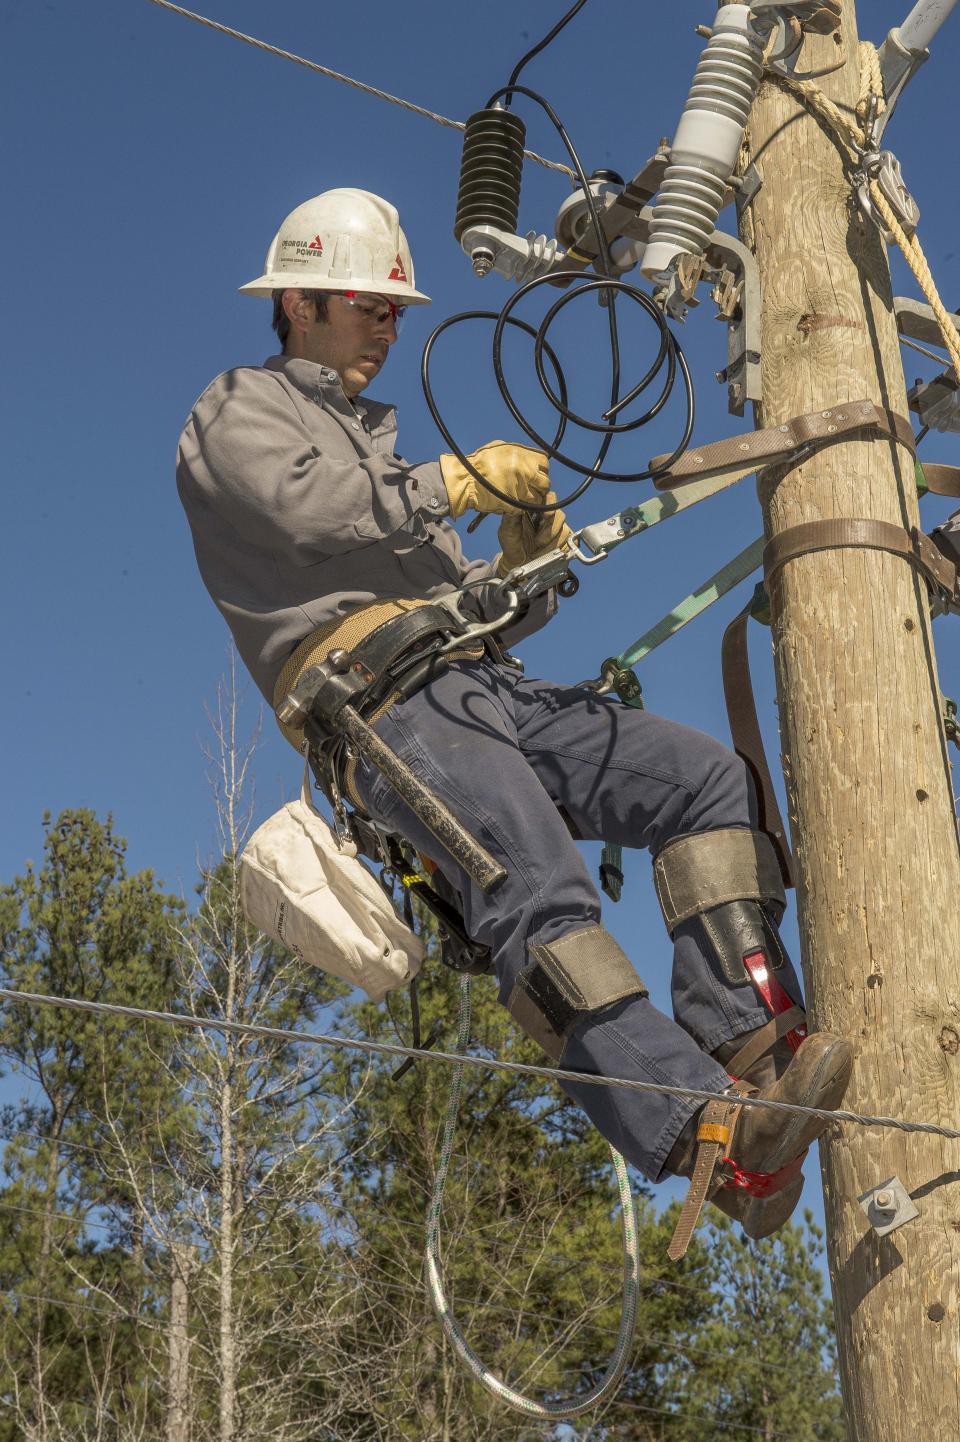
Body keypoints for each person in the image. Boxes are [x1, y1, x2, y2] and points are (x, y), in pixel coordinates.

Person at [176, 188, 852, 1250]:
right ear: (300, 302)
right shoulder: (237, 411)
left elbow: (484, 597)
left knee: (703, 781)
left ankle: (757, 1052)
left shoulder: (382, 445)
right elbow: (301, 507)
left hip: (482, 681)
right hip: (384, 705)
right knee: (539, 901)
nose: (389, 330)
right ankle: (715, 1137)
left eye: (396, 313)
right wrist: (451, 481)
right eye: (370, 308)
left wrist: (528, 550)